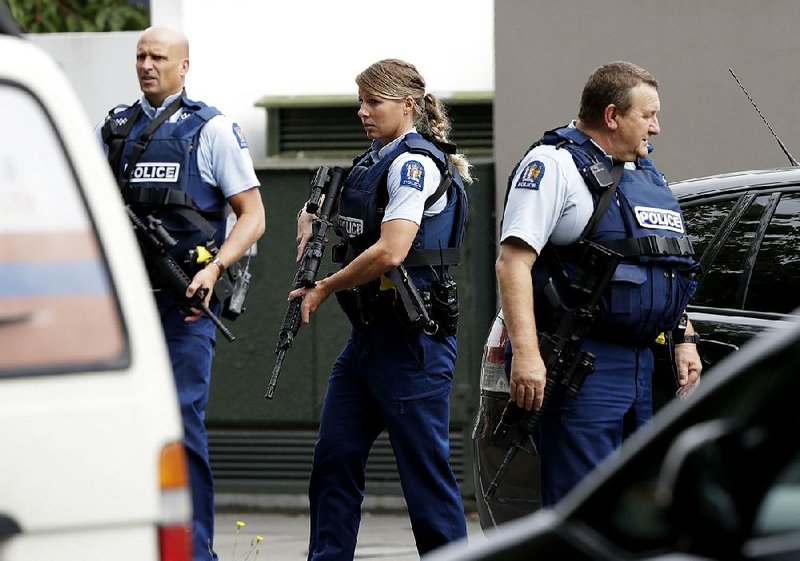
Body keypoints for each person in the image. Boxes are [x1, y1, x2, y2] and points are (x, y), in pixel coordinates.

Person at [495, 61, 702, 507]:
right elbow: (512, 262)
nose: (657, 128)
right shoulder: (554, 165)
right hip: (583, 364)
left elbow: (664, 262)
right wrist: (527, 357)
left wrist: (684, 337)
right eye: (647, 115)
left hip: (643, 363)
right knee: (583, 507)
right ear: (612, 116)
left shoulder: (645, 174)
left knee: (637, 507)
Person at [94, 26, 265, 560]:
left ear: (184, 66)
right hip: (126, 306)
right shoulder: (116, 128)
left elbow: (253, 216)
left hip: (185, 305)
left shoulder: (211, 129)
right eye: (140, 56)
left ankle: (196, 552)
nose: (147, 64)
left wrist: (216, 268)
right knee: (120, 428)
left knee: (181, 424)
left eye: (158, 57)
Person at [291, 59, 471, 560]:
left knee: (425, 479)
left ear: (407, 106)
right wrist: (308, 215)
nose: (362, 112)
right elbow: (348, 217)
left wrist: (324, 286)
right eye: (361, 102)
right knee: (334, 460)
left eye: (374, 102)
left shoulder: (414, 164)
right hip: (367, 341)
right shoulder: (373, 160)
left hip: (414, 344)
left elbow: (392, 249)